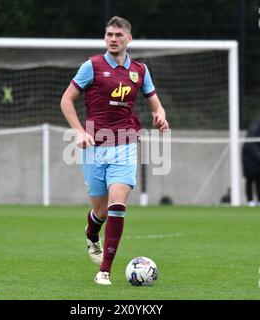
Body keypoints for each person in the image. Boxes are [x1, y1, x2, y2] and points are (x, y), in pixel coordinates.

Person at [60, 16, 169, 285]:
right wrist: (79, 131)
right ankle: (91, 232)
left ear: (128, 39)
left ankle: (104, 271)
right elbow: (66, 100)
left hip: (126, 144)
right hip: (94, 147)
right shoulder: (92, 66)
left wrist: (160, 115)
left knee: (117, 205)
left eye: (118, 35)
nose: (112, 38)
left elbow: (156, 104)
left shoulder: (140, 70)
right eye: (109, 34)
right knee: (101, 210)